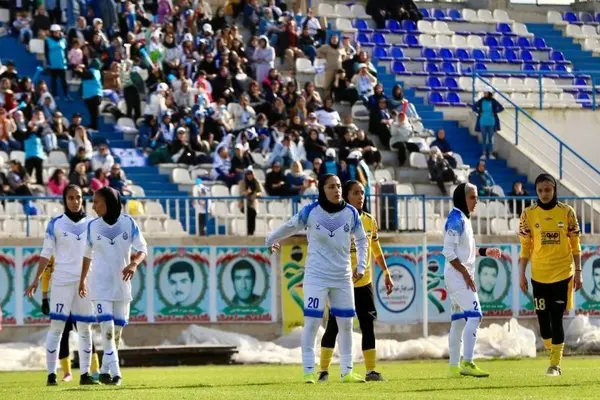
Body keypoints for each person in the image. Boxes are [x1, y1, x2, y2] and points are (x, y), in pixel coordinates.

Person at [266, 174, 367, 384]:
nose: (337, 190)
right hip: (316, 277)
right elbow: (290, 226)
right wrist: (271, 239)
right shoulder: (310, 211)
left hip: (342, 277)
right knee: (312, 323)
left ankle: (347, 372)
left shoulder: (351, 213)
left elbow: (361, 239)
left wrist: (361, 265)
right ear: (322, 189)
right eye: (331, 187)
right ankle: (309, 371)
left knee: (346, 324)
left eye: (338, 186)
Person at [319, 180, 394, 382]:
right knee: (334, 326)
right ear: (346, 196)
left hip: (365, 283)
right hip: (342, 283)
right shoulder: (336, 220)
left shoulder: (369, 220)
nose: (360, 196)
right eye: (355, 193)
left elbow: (375, 248)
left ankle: (371, 371)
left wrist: (386, 272)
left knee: (367, 325)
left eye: (362, 192)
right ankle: (323, 371)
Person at [24, 185, 99, 386]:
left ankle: (85, 375)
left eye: (78, 197)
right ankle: (51, 375)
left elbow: (99, 254)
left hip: (85, 282)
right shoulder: (55, 224)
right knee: (57, 328)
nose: (75, 201)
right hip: (61, 282)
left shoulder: (93, 224)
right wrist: (37, 279)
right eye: (71, 198)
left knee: (85, 328)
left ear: (83, 199)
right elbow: (45, 254)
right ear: (64, 200)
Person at [79, 187, 148, 386]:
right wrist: (83, 280)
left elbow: (143, 248)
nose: (93, 206)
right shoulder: (92, 226)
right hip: (100, 285)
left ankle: (104, 372)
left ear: (109, 202)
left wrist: (134, 264)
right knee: (107, 329)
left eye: (97, 202)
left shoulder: (128, 223)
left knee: (116, 333)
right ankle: (117, 375)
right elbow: (87, 255)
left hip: (122, 286)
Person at [518, 174, 582, 376]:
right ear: (536, 191)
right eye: (540, 190)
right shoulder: (528, 214)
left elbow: (576, 245)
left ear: (554, 190)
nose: (544, 194)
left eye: (548, 190)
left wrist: (578, 272)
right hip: (539, 275)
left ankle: (555, 365)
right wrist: (521, 274)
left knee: (556, 317)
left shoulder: (567, 212)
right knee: (543, 323)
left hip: (563, 273)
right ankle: (553, 351)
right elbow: (525, 248)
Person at [442, 183, 502, 378]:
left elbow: (465, 251)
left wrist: (485, 251)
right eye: (473, 197)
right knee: (476, 316)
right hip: (458, 277)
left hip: (457, 276)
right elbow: (448, 252)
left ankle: (453, 367)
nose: (477, 201)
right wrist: (466, 275)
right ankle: (468, 362)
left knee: (459, 321)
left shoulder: (463, 218)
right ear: (463, 198)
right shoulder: (456, 219)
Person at [39, 256, 101, 382]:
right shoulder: (54, 251)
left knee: (85, 332)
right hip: (64, 298)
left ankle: (95, 370)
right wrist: (44, 297)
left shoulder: (83, 249)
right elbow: (46, 273)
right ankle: (67, 373)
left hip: (80, 296)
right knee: (63, 334)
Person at [473, 92, 504, 160]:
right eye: (484, 93)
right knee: (484, 138)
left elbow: (501, 108)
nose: (484, 94)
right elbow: (474, 107)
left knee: (490, 138)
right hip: (483, 121)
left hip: (491, 122)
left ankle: (490, 154)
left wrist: (494, 112)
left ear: (489, 93)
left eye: (486, 93)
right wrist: (479, 112)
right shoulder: (481, 100)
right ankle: (484, 154)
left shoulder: (493, 101)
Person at [45, 24, 70, 100]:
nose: (57, 33)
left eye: (58, 31)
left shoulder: (64, 40)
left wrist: (67, 60)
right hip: (53, 64)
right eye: (55, 32)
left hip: (62, 63)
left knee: (64, 80)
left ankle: (66, 94)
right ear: (52, 32)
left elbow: (66, 51)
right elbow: (46, 52)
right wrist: (48, 62)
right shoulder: (47, 40)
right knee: (54, 80)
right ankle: (55, 94)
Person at [238, 167, 263, 236]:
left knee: (253, 213)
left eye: (250, 174)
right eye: (248, 174)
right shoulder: (242, 182)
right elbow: (241, 193)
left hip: (252, 204)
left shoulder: (255, 182)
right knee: (250, 213)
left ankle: (251, 232)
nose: (249, 176)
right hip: (243, 204)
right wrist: (247, 192)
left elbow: (260, 191)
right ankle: (249, 232)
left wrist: (256, 194)